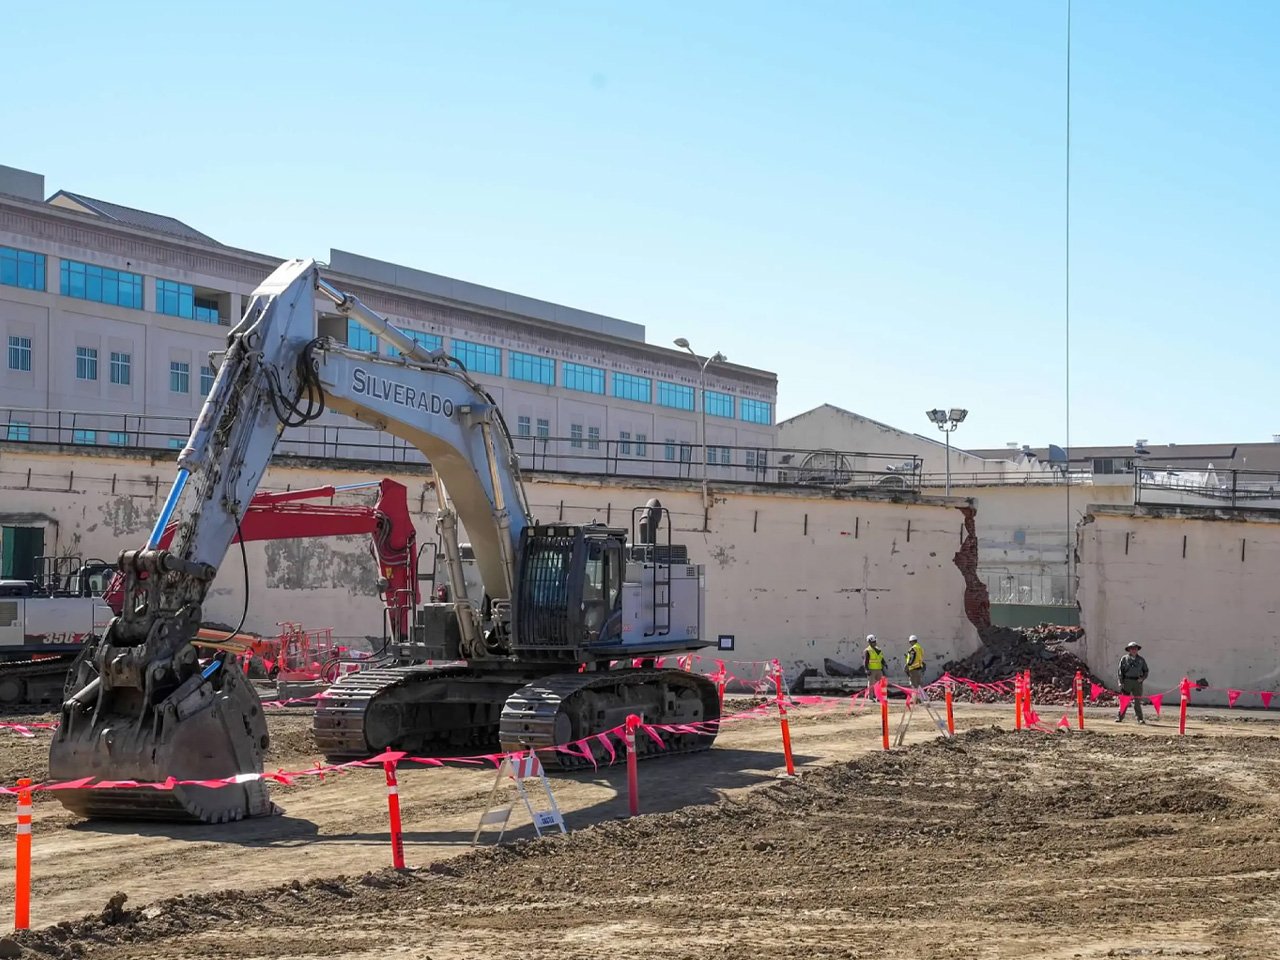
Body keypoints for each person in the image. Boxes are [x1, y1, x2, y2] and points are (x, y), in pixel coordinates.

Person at [1115, 641, 1149, 724]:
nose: (1134, 650)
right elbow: (1120, 671)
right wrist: (1120, 681)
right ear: (1129, 650)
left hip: (1137, 682)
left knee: (1137, 701)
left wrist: (1142, 678)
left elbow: (1146, 671)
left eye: (1135, 649)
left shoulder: (1141, 660)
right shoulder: (1124, 659)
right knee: (1124, 700)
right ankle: (1120, 717)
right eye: (1132, 649)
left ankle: (1140, 719)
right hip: (1127, 681)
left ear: (1137, 650)